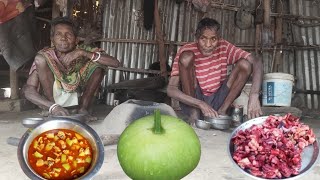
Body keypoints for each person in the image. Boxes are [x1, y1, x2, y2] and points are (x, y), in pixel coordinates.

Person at [167, 18, 263, 124]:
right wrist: (200, 104)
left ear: (219, 38)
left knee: (245, 65)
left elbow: (256, 61)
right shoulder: (185, 49)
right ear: (196, 38)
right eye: (203, 39)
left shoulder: (224, 47)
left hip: (219, 99)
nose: (208, 44)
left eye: (213, 39)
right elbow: (171, 90)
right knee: (186, 57)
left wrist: (254, 95)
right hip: (194, 100)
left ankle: (222, 112)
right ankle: (194, 114)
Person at [23, 17, 120, 120]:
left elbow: (115, 63)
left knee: (98, 65)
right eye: (58, 34)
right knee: (40, 59)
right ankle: (54, 109)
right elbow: (28, 90)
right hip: (53, 104)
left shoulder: (83, 50)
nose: (63, 38)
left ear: (76, 39)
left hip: (79, 97)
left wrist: (84, 53)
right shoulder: (47, 56)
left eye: (68, 34)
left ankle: (83, 109)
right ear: (52, 39)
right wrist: (52, 107)